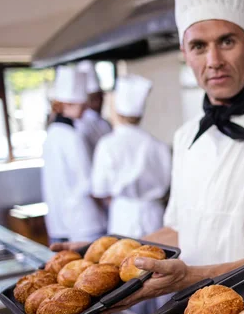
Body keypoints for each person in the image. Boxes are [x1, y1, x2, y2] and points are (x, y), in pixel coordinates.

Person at [52, 0, 244, 312]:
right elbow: (178, 230)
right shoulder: (187, 136)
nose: (214, 61)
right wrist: (103, 256)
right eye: (199, 46)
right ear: (185, 53)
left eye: (227, 41)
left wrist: (192, 277)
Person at [91, 74, 172, 239]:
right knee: (155, 258)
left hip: (123, 215)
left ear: (118, 111)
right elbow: (168, 186)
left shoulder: (107, 144)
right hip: (154, 214)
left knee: (123, 260)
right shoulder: (158, 145)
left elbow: (99, 189)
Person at [42, 66, 107, 244]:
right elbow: (88, 181)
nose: (86, 109)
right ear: (67, 105)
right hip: (84, 220)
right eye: (82, 105)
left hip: (60, 218)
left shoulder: (52, 132)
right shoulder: (72, 136)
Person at [75, 60, 112, 155]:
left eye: (100, 97)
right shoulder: (81, 124)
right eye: (95, 99)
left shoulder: (105, 123)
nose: (99, 102)